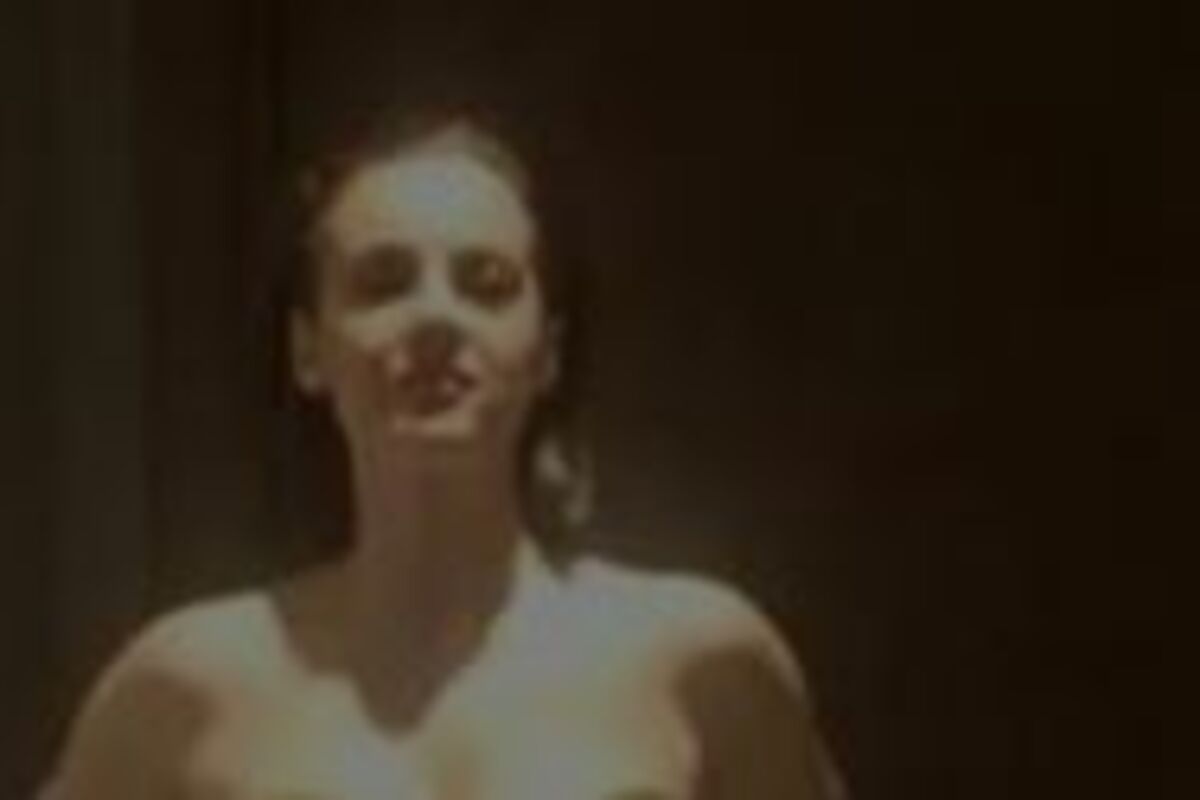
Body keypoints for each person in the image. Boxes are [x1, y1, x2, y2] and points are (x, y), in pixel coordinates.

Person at [42, 103, 847, 800]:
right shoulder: (183, 690)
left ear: (548, 351)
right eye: (383, 282)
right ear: (307, 349)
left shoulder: (705, 666)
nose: (436, 317)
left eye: (487, 284)